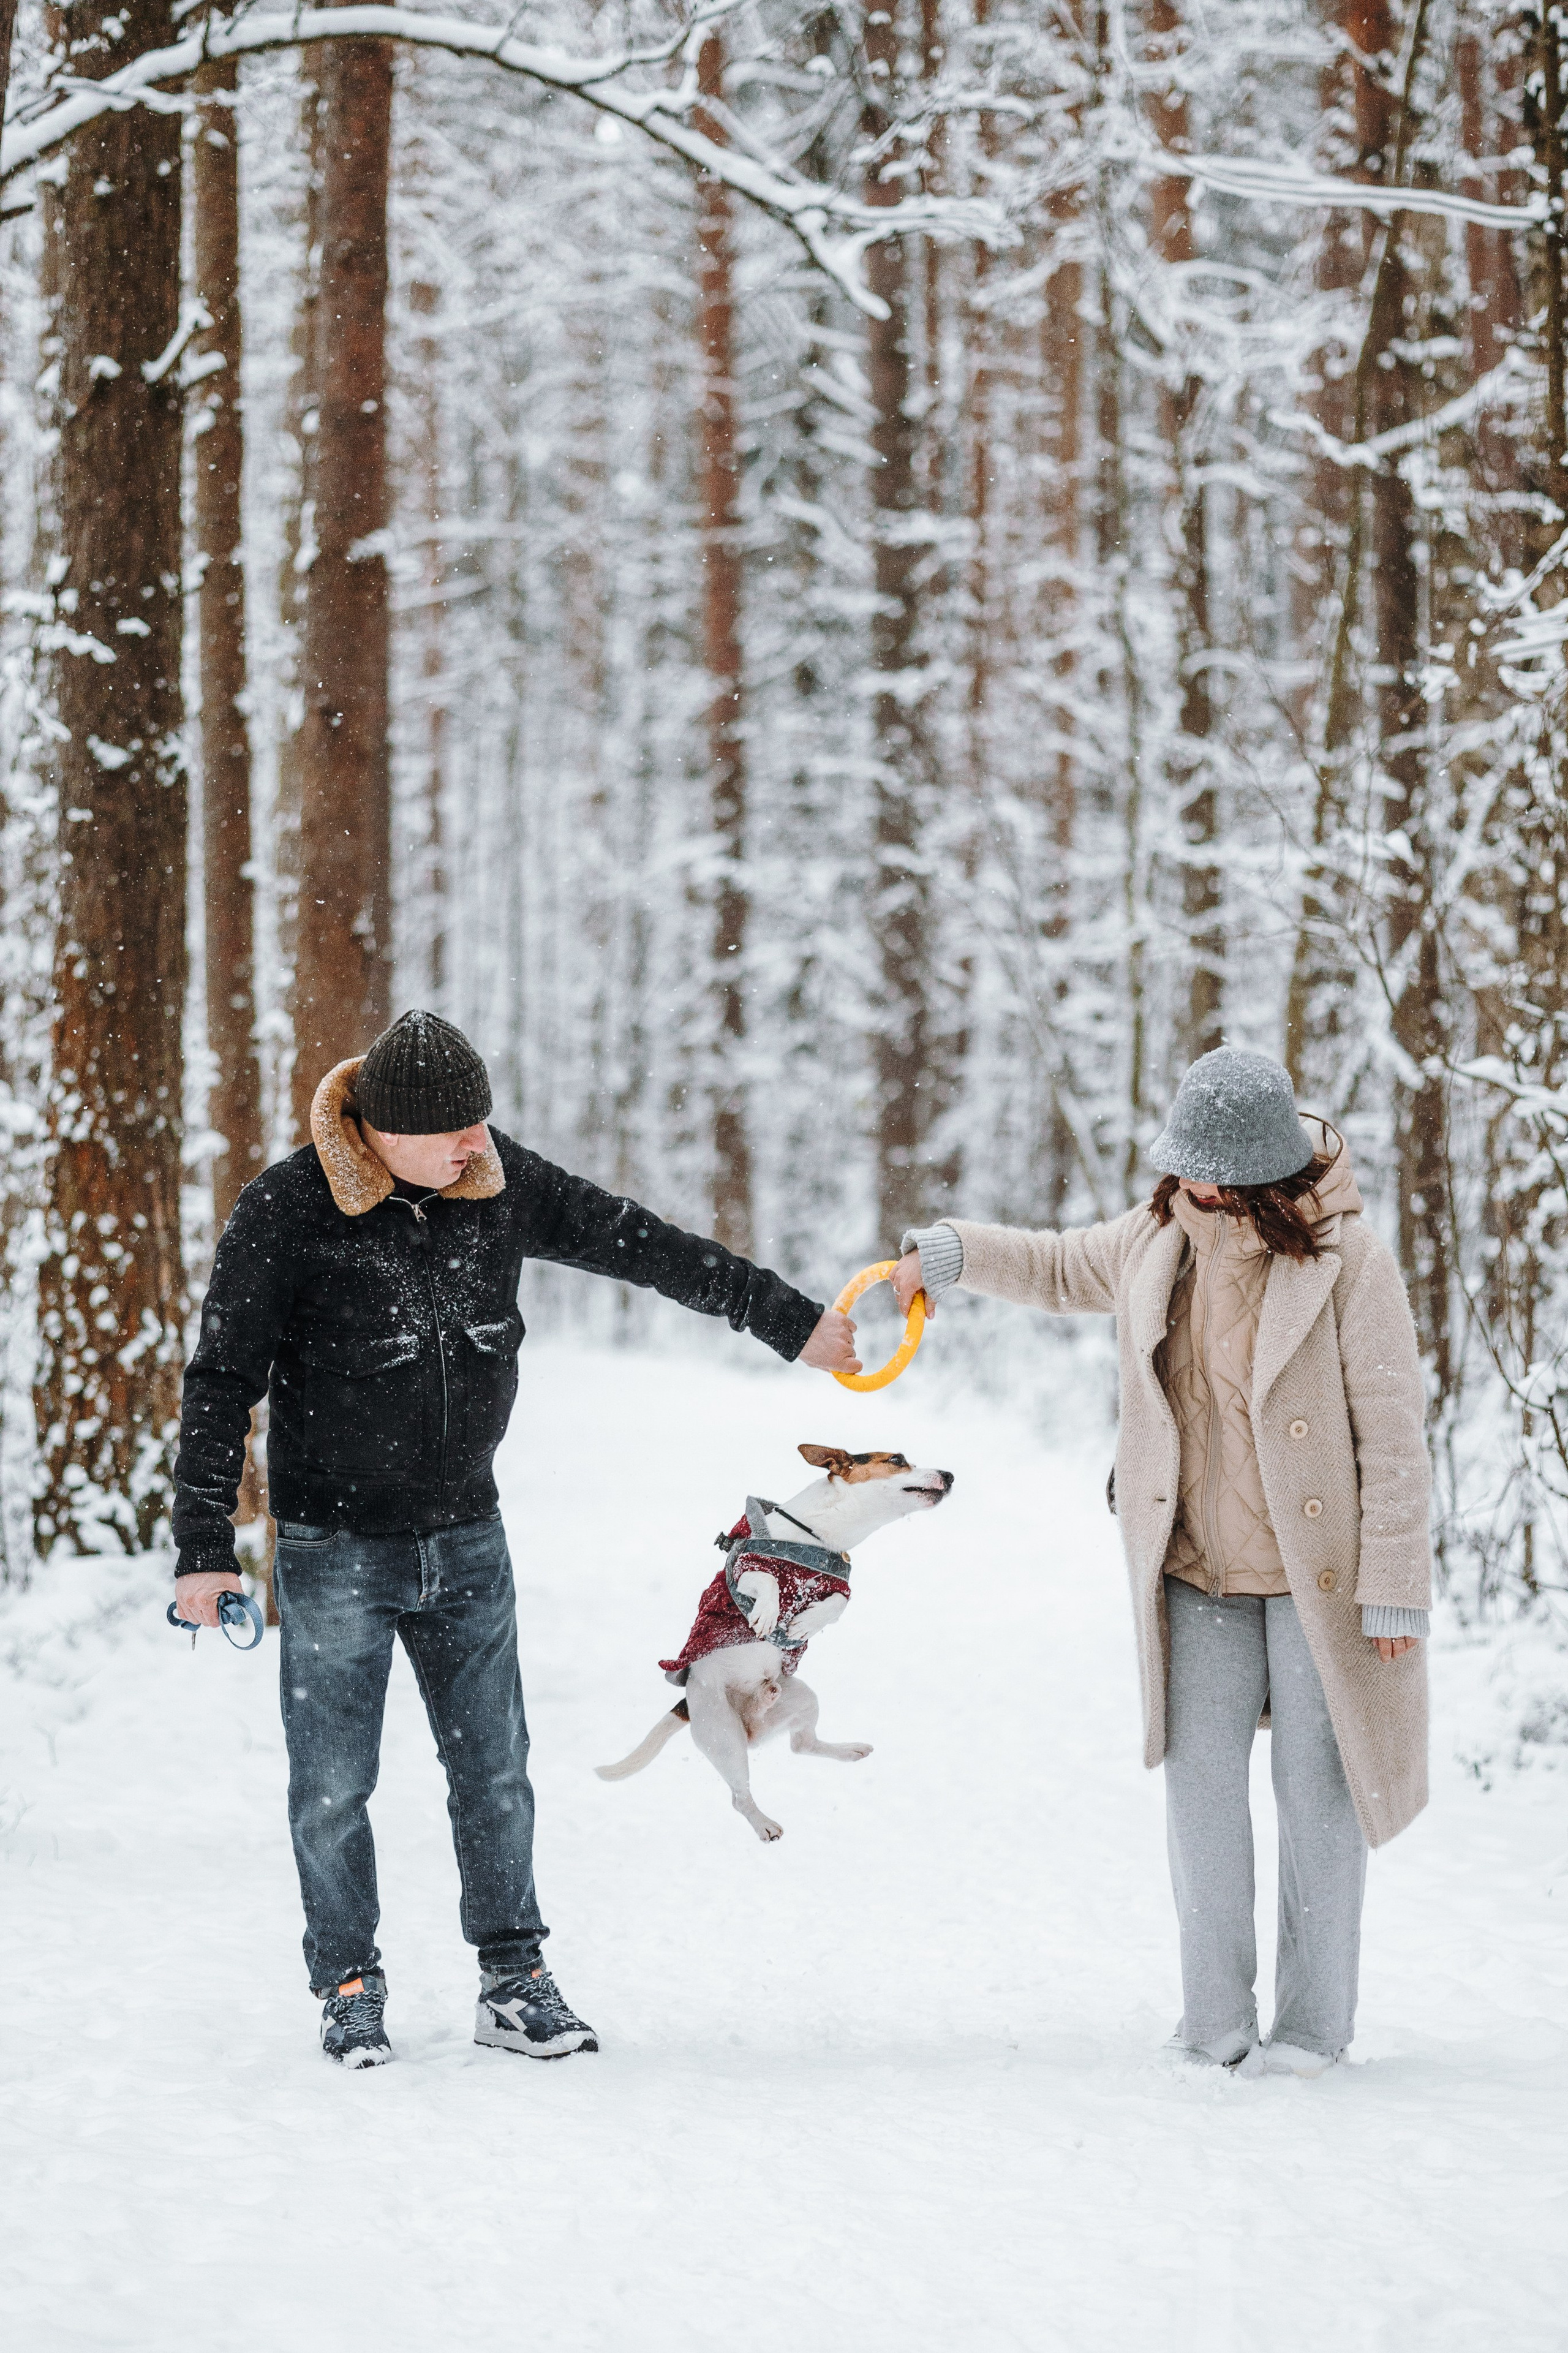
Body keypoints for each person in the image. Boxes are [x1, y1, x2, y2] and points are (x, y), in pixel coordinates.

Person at [173, 1010, 861, 2069]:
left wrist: (790, 1321)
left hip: (466, 1542)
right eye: (454, 1131)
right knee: (332, 1784)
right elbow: (222, 1381)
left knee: (495, 1772)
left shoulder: (495, 1181)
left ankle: (514, 1978)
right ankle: (349, 1983)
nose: (476, 1145)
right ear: (382, 1130)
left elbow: (651, 1246)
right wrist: (203, 1546)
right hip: (333, 1549)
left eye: (483, 1124)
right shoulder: (288, 1209)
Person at [891, 1047, 1431, 2076]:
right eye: (1186, 1166)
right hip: (1195, 1572)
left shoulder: (1347, 1258)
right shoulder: (1157, 1240)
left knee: (1321, 1795)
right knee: (1199, 1795)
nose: (1194, 1186)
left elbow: (1395, 1432)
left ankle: (1314, 2032)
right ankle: (1214, 2024)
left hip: (1318, 1579)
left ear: (1266, 1173)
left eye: (1213, 1172)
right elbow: (1054, 1266)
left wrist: (1398, 1584)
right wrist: (953, 1252)